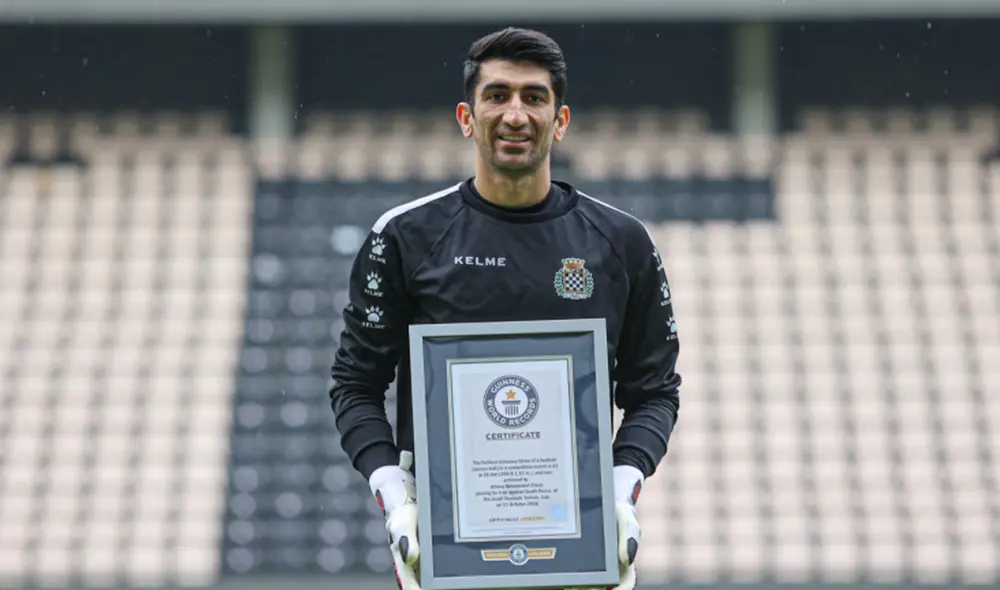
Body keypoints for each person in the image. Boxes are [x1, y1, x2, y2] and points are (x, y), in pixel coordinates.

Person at [329, 26, 682, 590]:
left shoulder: (622, 242)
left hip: (580, 547)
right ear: (467, 118)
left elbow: (655, 392)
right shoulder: (403, 237)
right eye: (497, 95)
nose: (515, 114)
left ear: (560, 121)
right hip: (447, 548)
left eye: (534, 97)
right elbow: (355, 385)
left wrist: (620, 492)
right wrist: (397, 499)